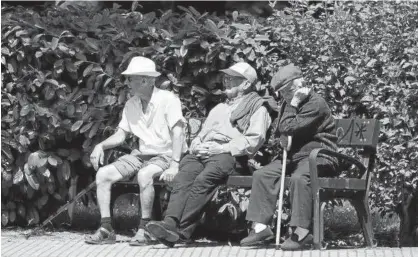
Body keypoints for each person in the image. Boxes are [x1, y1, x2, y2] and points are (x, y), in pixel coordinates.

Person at [146, 62, 279, 247]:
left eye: (233, 79)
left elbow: (254, 140)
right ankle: (170, 223)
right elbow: (201, 135)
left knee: (204, 179)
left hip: (232, 156)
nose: (227, 81)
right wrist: (197, 145)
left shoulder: (258, 108)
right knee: (184, 174)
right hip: (205, 153)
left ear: (246, 84)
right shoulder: (219, 108)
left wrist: (222, 148)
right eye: (226, 78)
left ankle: (180, 231)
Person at [85, 56, 187, 245]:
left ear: (145, 80)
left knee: (144, 175)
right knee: (103, 174)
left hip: (165, 154)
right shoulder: (131, 104)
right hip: (141, 155)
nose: (127, 83)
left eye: (130, 78)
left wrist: (175, 164)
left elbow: (178, 133)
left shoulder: (168, 100)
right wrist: (100, 145)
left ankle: (145, 229)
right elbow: (121, 134)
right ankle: (106, 228)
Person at [240, 64, 339, 250]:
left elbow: (288, 127)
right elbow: (281, 129)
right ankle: (261, 228)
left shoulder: (315, 103)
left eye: (288, 90)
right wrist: (290, 110)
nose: (285, 95)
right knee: (263, 174)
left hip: (321, 156)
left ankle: (302, 232)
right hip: (296, 157)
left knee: (299, 178)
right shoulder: (288, 103)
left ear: (300, 84)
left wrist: (292, 106)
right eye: (282, 92)